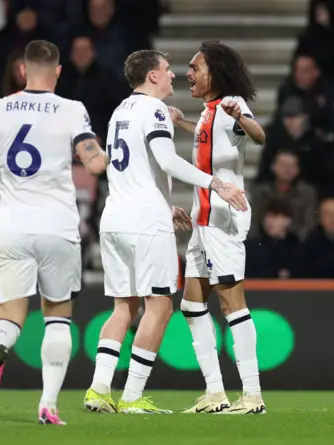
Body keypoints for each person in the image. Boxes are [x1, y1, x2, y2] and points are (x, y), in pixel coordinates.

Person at [83, 49, 247, 415]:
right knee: (159, 305)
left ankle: (97, 390)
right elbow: (167, 160)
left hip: (114, 219)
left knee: (122, 307)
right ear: (152, 76)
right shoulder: (154, 110)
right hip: (144, 224)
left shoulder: (119, 112)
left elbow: (127, 168)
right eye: (167, 70)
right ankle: (132, 397)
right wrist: (216, 184)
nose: (174, 75)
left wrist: (164, 203)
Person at [0, 40, 108, 426]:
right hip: (58, 229)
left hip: (12, 228)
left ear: (23, 70)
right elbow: (94, 163)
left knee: (9, 315)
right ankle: (48, 405)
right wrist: (108, 155)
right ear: (58, 71)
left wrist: (7, 179)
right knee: (57, 317)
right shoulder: (71, 110)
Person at [168, 40, 267, 414]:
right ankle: (215, 393)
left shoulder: (232, 103)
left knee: (230, 301)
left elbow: (258, 135)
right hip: (202, 220)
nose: (188, 74)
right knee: (192, 306)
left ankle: (253, 394)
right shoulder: (209, 112)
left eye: (195, 67)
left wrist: (240, 115)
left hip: (222, 218)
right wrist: (182, 123)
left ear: (216, 73)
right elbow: (209, 137)